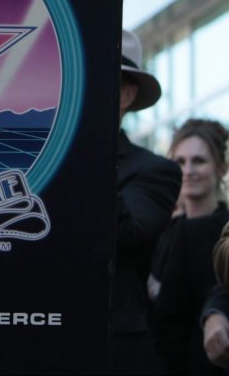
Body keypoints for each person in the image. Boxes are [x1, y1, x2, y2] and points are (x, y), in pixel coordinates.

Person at [113, 29, 182, 374]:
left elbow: (128, 234)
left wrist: (90, 144)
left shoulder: (156, 171)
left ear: (127, 93)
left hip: (113, 346)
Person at [152, 120, 229, 374]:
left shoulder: (222, 230)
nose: (188, 170)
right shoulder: (161, 228)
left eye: (199, 161)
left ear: (221, 168)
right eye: (180, 162)